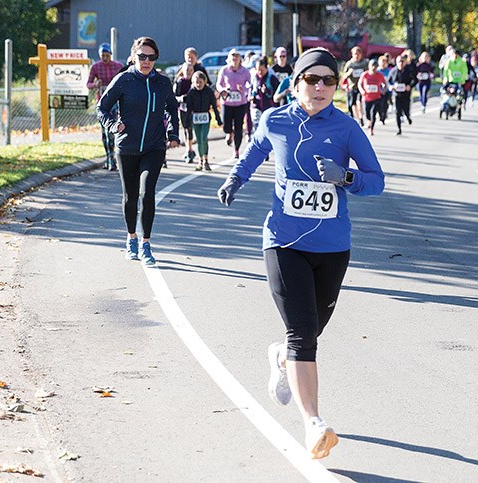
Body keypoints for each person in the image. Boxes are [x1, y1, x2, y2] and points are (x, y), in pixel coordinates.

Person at [216, 47, 385, 460]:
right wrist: (236, 178)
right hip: (283, 241)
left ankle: (280, 357)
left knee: (310, 332)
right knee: (303, 335)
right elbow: (255, 150)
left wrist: (346, 177)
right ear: (296, 83)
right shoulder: (276, 120)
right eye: (313, 79)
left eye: (330, 80)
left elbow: (377, 181)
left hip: (332, 247)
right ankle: (314, 424)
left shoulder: (346, 128)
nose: (322, 87)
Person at [97, 36, 180, 266]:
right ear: (134, 56)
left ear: (155, 59)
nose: (146, 61)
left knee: (147, 193)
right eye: (142, 56)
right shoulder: (123, 80)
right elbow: (102, 107)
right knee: (130, 196)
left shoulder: (162, 82)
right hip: (126, 147)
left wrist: (173, 133)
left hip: (154, 147)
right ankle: (131, 237)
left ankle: (146, 244)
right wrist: (113, 125)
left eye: (151, 57)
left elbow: (172, 108)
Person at [87, 43, 124, 170]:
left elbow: (125, 80)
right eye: (102, 55)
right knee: (104, 133)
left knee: (112, 130)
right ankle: (109, 158)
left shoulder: (118, 66)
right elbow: (88, 84)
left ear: (111, 55)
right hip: (102, 103)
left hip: (116, 103)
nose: (104, 58)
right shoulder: (96, 67)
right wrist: (95, 84)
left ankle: (113, 158)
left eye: (107, 55)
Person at [216, 49, 251, 159]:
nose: (234, 59)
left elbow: (250, 84)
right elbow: (218, 84)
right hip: (227, 102)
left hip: (241, 103)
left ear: (240, 58)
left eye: (236, 56)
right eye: (232, 56)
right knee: (226, 124)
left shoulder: (245, 71)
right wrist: (223, 90)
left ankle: (236, 150)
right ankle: (228, 132)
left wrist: (244, 89)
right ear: (229, 58)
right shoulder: (224, 70)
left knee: (239, 127)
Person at [186, 70, 222, 171]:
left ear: (204, 82)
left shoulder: (209, 92)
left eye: (200, 82)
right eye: (196, 82)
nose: (198, 84)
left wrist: (218, 120)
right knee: (198, 140)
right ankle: (200, 160)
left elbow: (214, 107)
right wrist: (187, 122)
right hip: (196, 118)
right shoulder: (191, 92)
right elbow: (189, 108)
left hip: (205, 117)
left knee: (203, 138)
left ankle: (206, 159)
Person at [387, 55, 417, 135]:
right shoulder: (393, 71)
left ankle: (408, 117)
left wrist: (410, 86)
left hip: (406, 94)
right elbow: (388, 81)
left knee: (406, 110)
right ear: (396, 63)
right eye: (399, 62)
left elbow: (415, 80)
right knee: (397, 111)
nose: (400, 63)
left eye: (402, 61)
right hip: (397, 94)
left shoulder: (409, 71)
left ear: (405, 62)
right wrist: (391, 87)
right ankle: (399, 129)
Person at [340, 46, 369, 125]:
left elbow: (368, 73)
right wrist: (348, 73)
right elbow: (343, 76)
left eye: (358, 54)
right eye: (355, 54)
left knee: (359, 102)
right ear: (352, 54)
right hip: (352, 86)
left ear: (361, 54)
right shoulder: (349, 64)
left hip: (361, 86)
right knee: (353, 104)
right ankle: (357, 118)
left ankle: (361, 117)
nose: (357, 56)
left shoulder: (365, 63)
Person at [358, 59, 386, 135]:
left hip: (376, 98)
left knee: (373, 113)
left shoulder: (380, 75)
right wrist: (362, 91)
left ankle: (371, 129)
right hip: (366, 98)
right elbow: (359, 84)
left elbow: (384, 83)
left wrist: (383, 89)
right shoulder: (365, 75)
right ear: (369, 66)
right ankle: (369, 121)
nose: (373, 68)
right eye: (372, 66)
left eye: (375, 66)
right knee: (367, 114)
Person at [174, 62, 195, 163]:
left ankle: (190, 149)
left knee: (191, 129)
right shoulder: (179, 82)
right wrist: (181, 98)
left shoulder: (195, 81)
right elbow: (175, 96)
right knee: (187, 129)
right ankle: (188, 149)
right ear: (183, 71)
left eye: (191, 70)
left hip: (195, 109)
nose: (189, 72)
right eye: (187, 70)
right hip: (183, 108)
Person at [251, 56, 280, 125]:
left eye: (262, 70)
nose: (260, 72)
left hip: (269, 107)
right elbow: (251, 89)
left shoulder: (272, 78)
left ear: (266, 68)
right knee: (257, 125)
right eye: (258, 70)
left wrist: (267, 91)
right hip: (257, 106)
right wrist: (251, 96)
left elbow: (277, 94)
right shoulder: (254, 78)